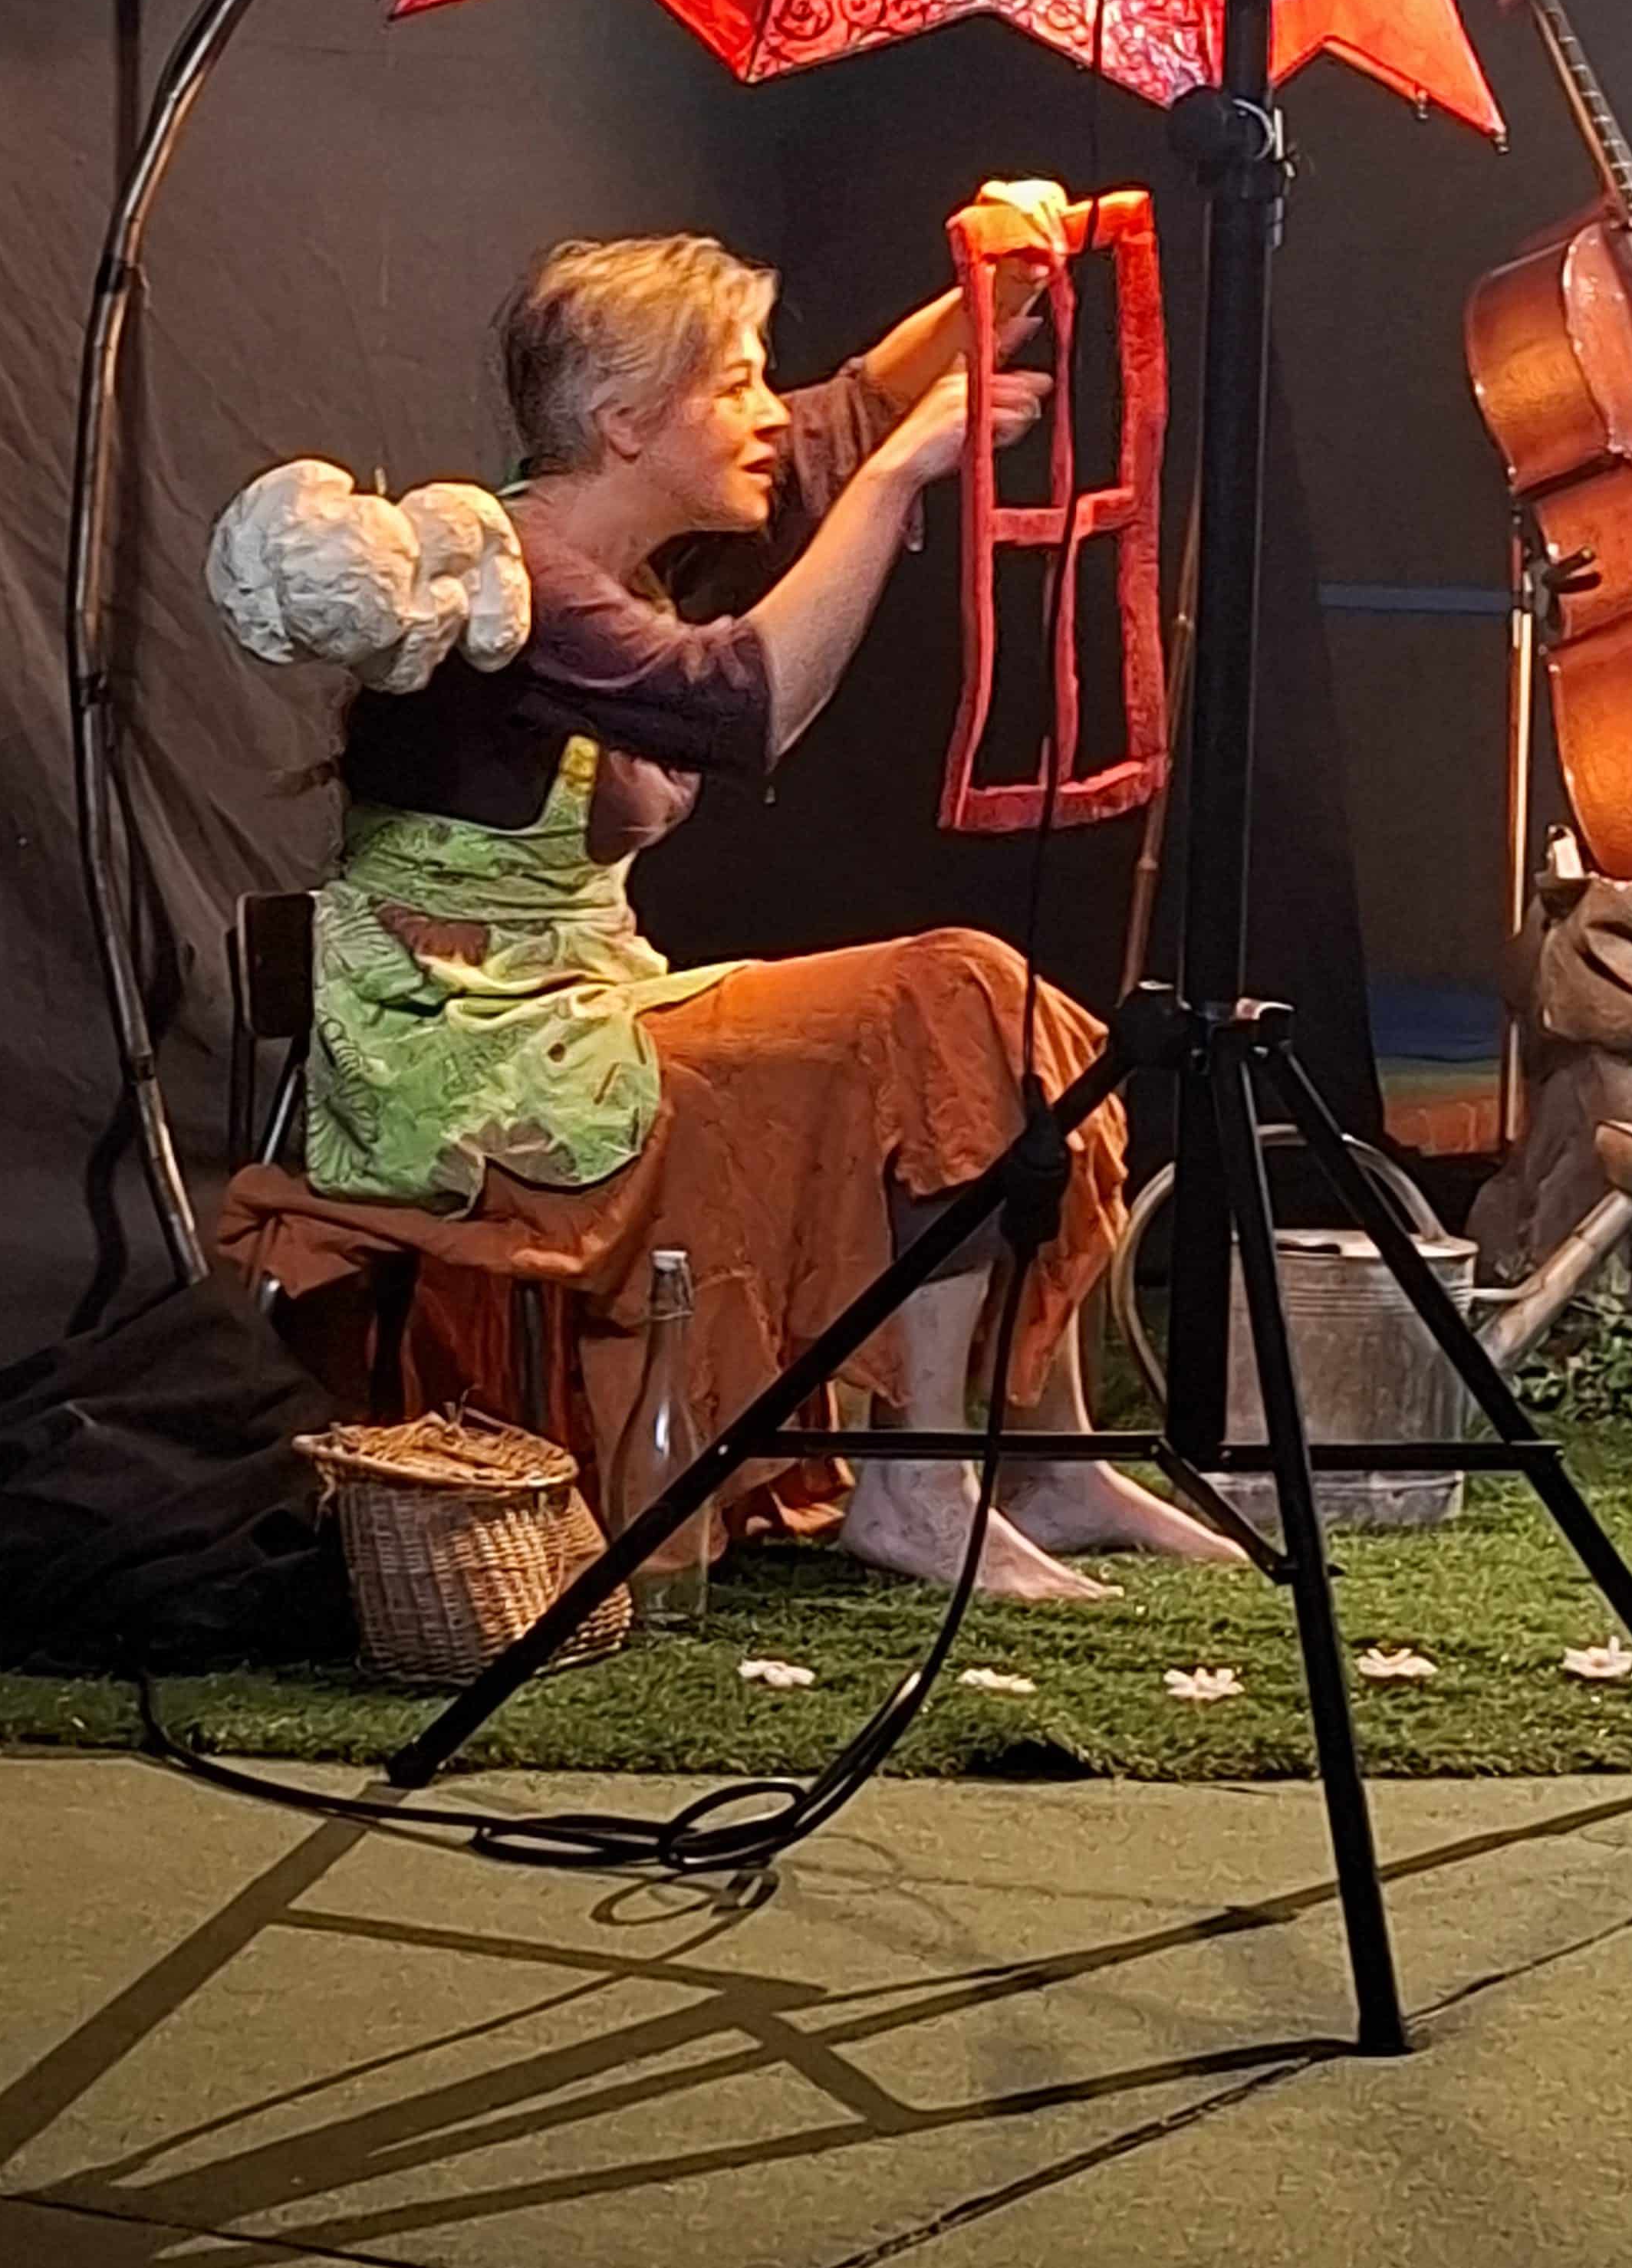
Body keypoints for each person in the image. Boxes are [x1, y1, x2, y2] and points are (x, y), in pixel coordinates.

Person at [252, 182, 1235, 1599]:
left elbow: (843, 414)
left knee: (1008, 1026)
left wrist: (997, 290)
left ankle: (1048, 1459)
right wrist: (906, 475)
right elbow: (741, 705)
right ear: (625, 424)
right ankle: (916, 1490)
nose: (771, 411)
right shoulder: (525, 587)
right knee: (951, 993)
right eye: (734, 385)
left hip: (581, 1008)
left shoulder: (623, 544)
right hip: (478, 1056)